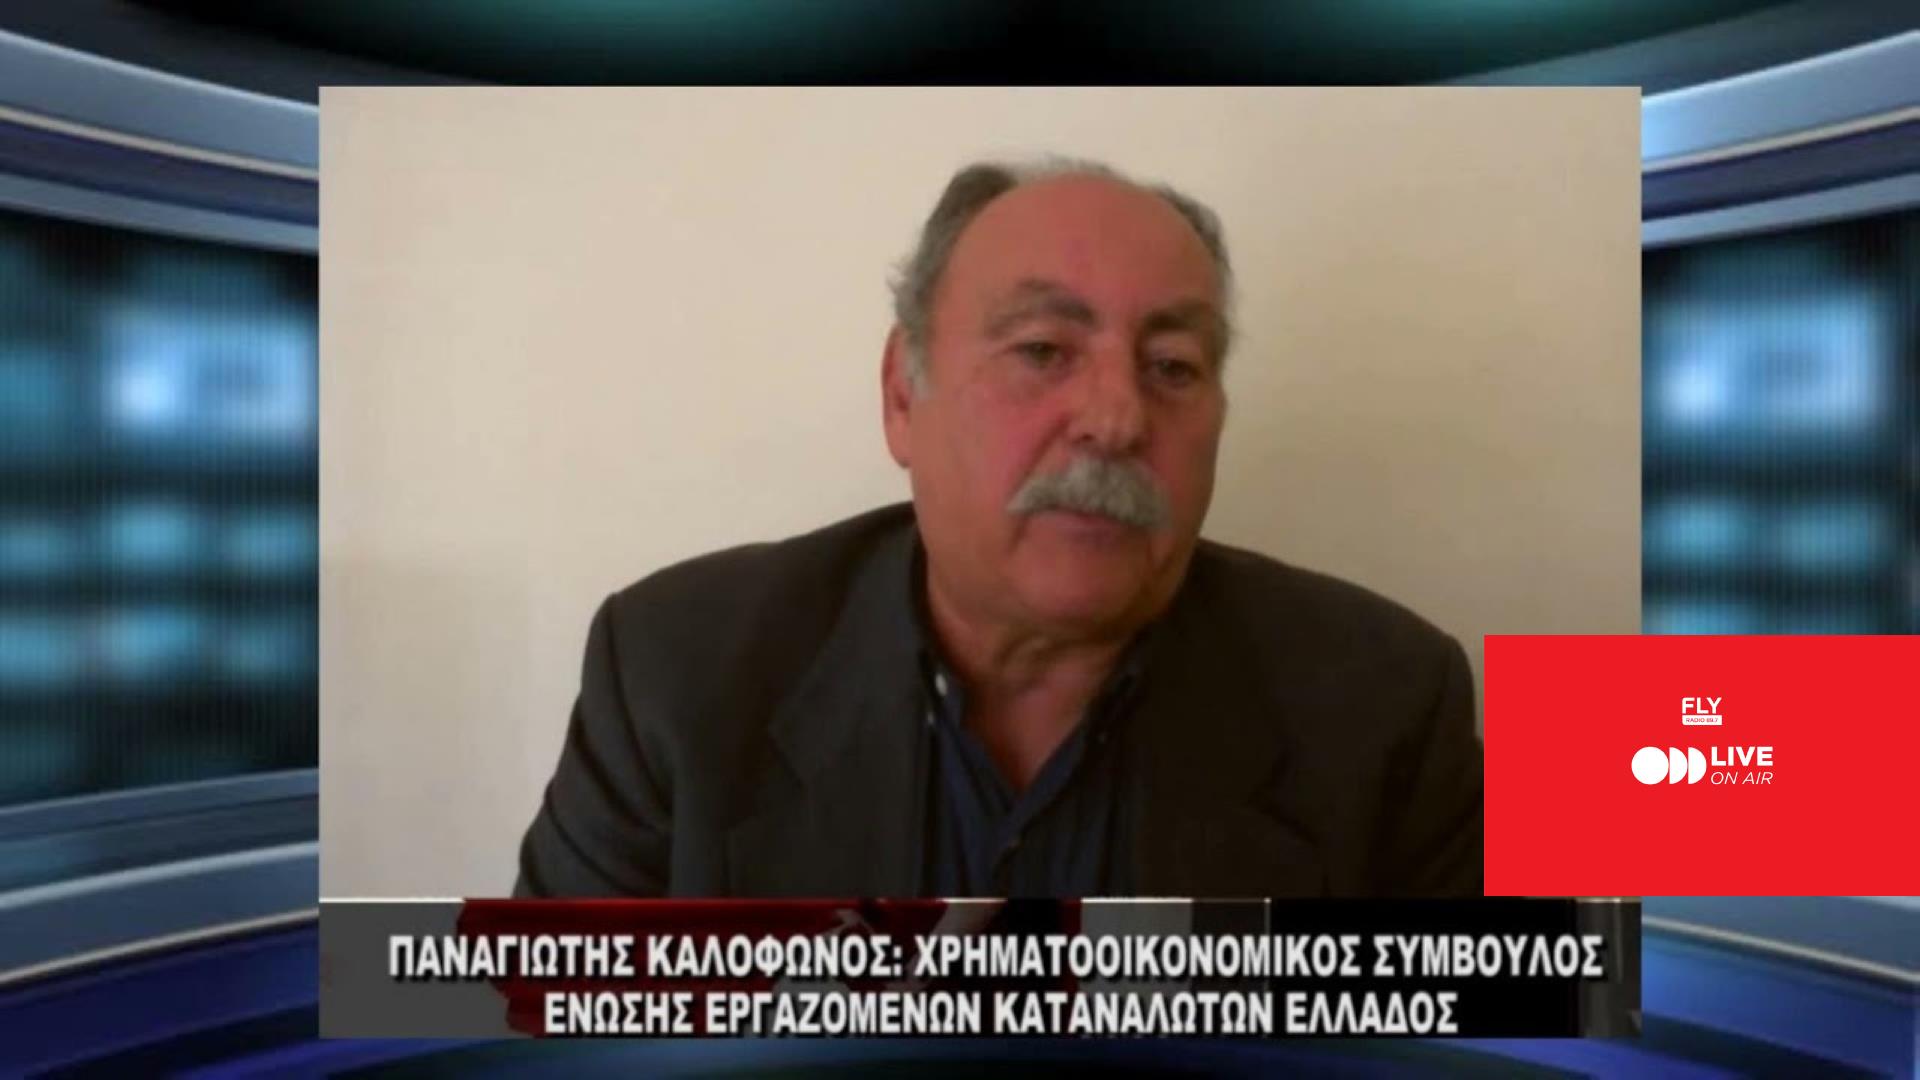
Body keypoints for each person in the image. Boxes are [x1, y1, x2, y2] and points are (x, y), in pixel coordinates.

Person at [514, 156, 1483, 899]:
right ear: (903, 395)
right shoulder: (671, 667)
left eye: (1173, 367)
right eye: (1043, 350)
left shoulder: (1399, 698)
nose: (1117, 419)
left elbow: (1546, 1034)